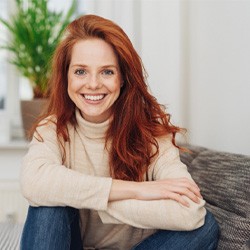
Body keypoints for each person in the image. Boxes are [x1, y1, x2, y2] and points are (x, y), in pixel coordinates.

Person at [20, 14, 219, 250]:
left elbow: (191, 213)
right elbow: (33, 182)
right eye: (81, 71)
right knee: (47, 203)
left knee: (206, 227)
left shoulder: (152, 135)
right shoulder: (52, 128)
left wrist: (96, 200)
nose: (93, 84)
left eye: (107, 72)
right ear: (66, 77)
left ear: (123, 78)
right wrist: (139, 191)